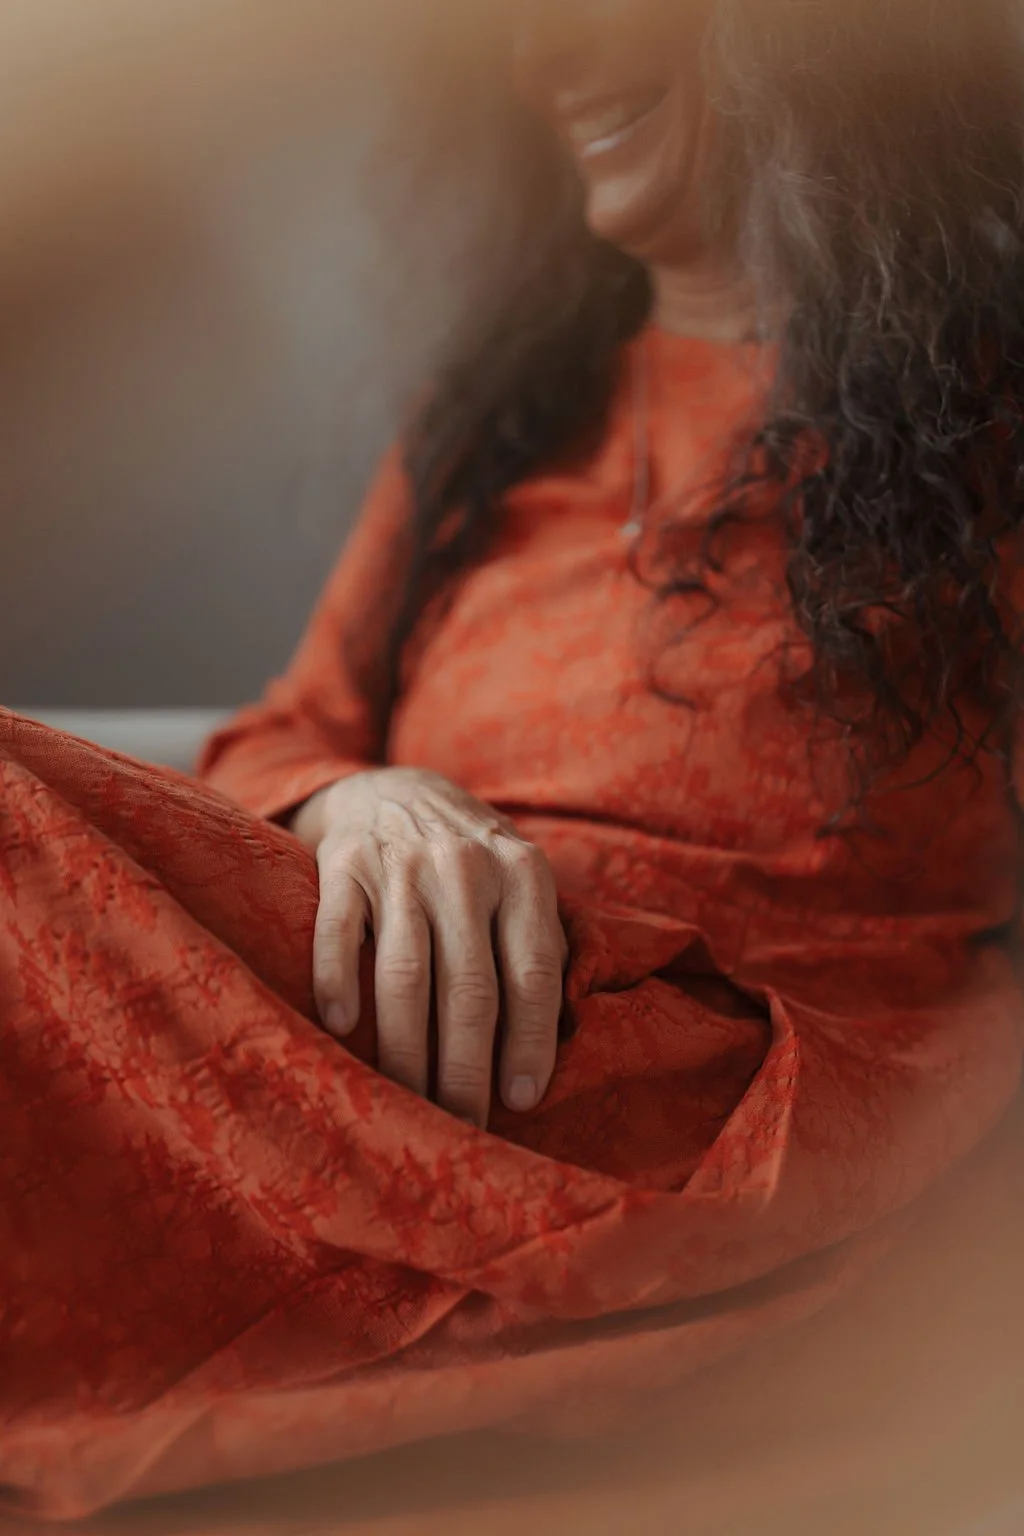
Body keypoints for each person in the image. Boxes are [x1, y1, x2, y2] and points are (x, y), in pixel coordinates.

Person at [2, 0, 1023, 1519]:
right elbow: (280, 733)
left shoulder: (986, 433)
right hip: (349, 1007)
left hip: (671, 1098)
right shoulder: (491, 428)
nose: (547, 62)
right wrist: (374, 795)